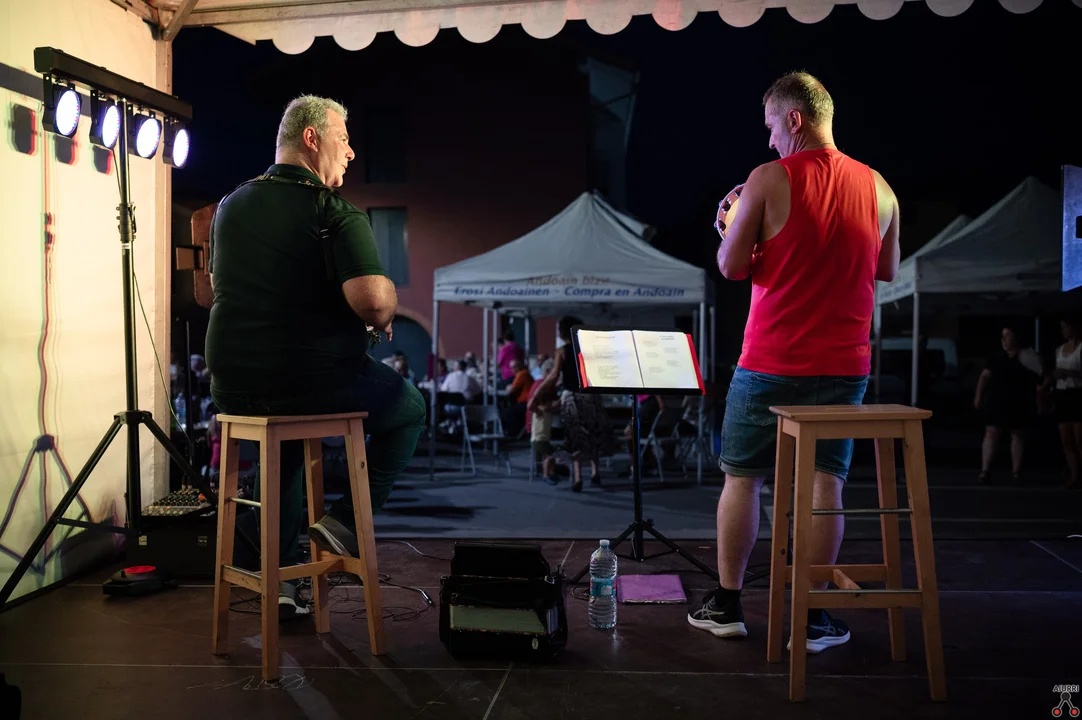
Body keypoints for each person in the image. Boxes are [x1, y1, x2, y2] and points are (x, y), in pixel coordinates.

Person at [690, 72, 900, 653]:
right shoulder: (881, 188)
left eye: (770, 127)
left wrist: (732, 226)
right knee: (824, 484)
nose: (769, 141)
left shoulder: (768, 178)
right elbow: (886, 270)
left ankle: (727, 605)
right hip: (844, 368)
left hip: (770, 361)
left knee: (743, 479)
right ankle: (811, 618)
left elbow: (731, 267)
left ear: (794, 119)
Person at [205, 95, 426, 618]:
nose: (350, 152)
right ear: (311, 138)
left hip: (232, 385)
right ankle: (343, 522)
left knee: (282, 446)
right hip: (310, 379)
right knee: (411, 409)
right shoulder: (333, 212)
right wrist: (383, 308)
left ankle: (280, 580)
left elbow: (220, 286)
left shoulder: (229, 205)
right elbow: (373, 303)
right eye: (343, 139)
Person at [528, 316, 612, 491]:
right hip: (591, 395)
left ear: (563, 331)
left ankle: (578, 477)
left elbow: (554, 376)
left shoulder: (562, 351)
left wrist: (537, 393)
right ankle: (595, 472)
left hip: (573, 397)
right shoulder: (588, 349)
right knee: (592, 433)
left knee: (575, 435)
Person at [975, 326, 1041, 483]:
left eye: (1008, 336)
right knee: (991, 433)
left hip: (1018, 401)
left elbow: (1038, 378)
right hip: (996, 401)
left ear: (1016, 338)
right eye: (1002, 336)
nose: (1004, 340)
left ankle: (1016, 471)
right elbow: (984, 377)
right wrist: (978, 396)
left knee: (1017, 434)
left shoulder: (1026, 357)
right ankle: (985, 470)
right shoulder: (996, 357)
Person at [1042, 318, 1082, 489]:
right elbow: (1052, 373)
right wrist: (1048, 382)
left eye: (1066, 327)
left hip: (1078, 394)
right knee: (1066, 440)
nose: (1063, 331)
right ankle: (1074, 476)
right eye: (1062, 328)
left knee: (1079, 439)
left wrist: (1070, 373)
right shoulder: (1059, 350)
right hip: (1063, 395)